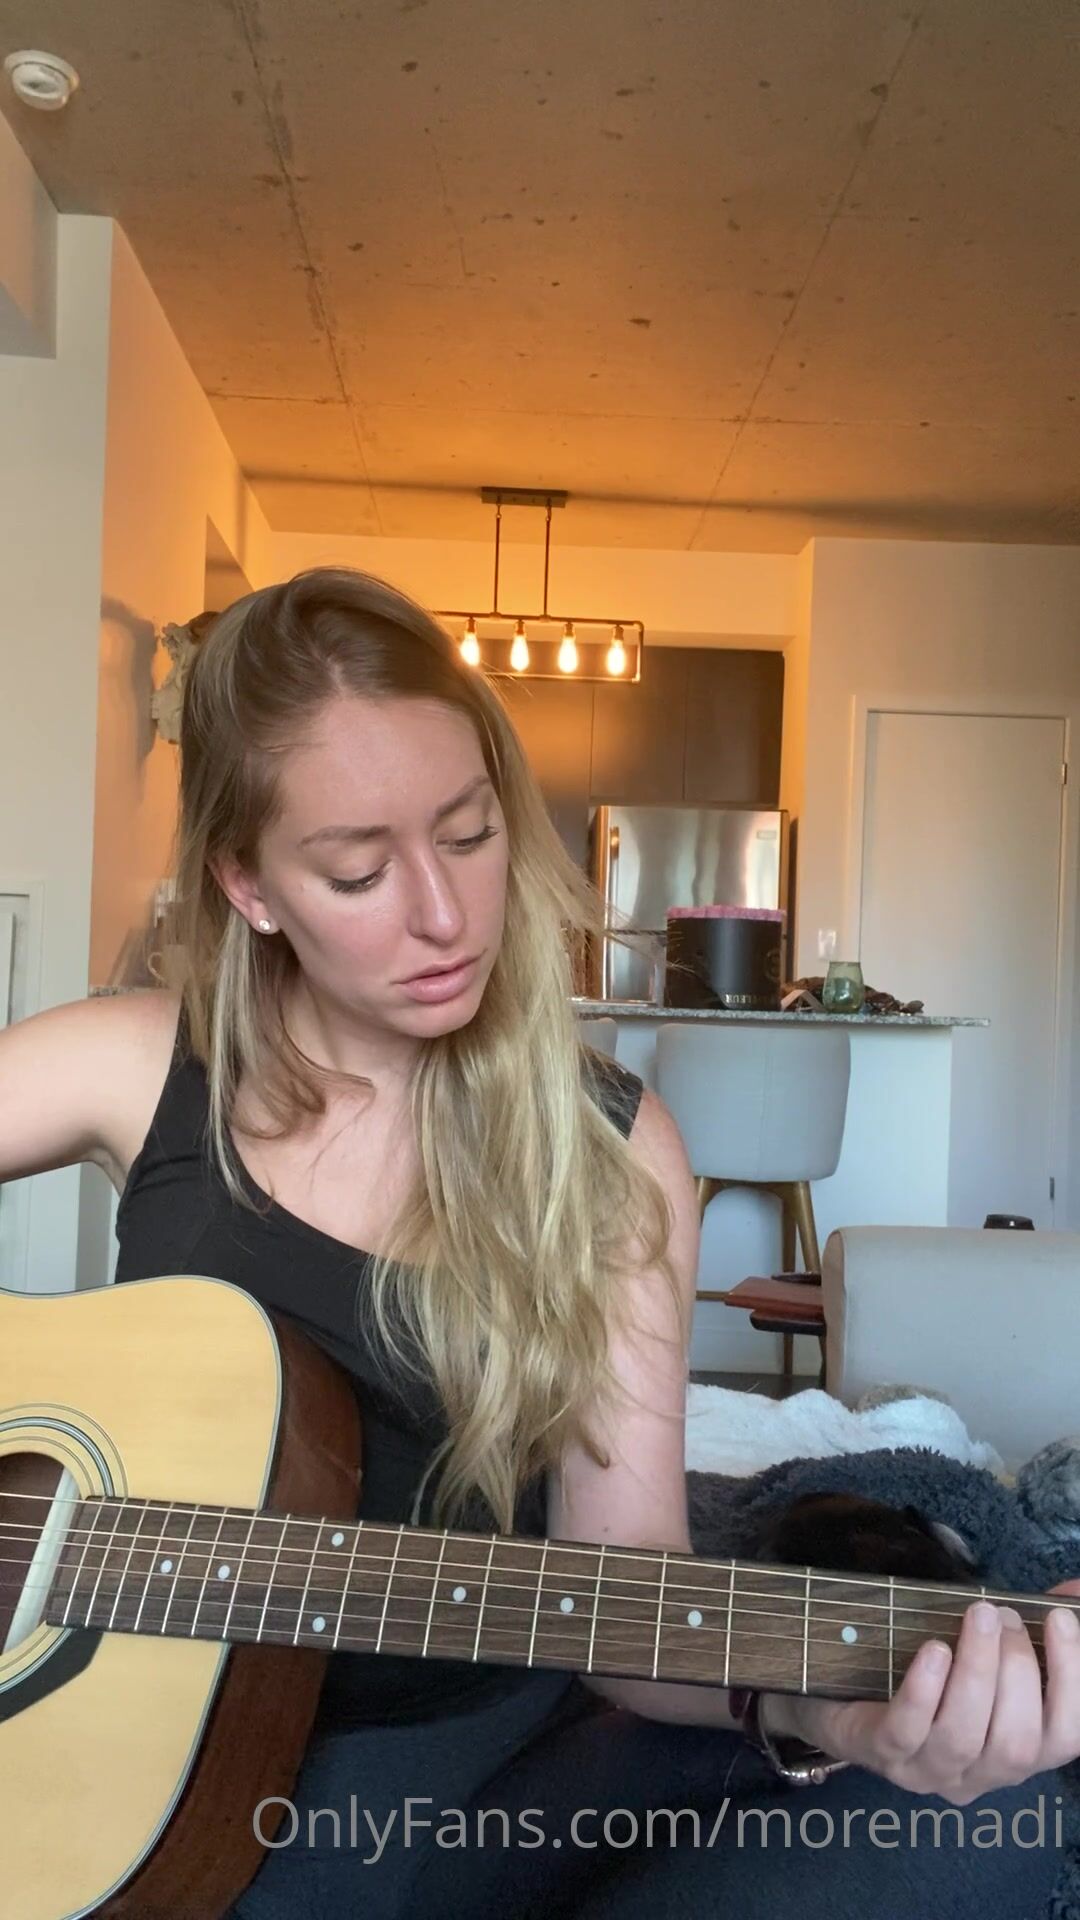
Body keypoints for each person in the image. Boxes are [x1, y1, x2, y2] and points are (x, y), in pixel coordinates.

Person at [2, 565, 1078, 1920]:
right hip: (133, 1754)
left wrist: (823, 1715)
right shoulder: (137, 1063)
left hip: (473, 1751)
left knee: (985, 1831)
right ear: (249, 884)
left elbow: (628, 1595)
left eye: (469, 835)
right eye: (356, 871)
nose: (446, 916)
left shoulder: (613, 1151)